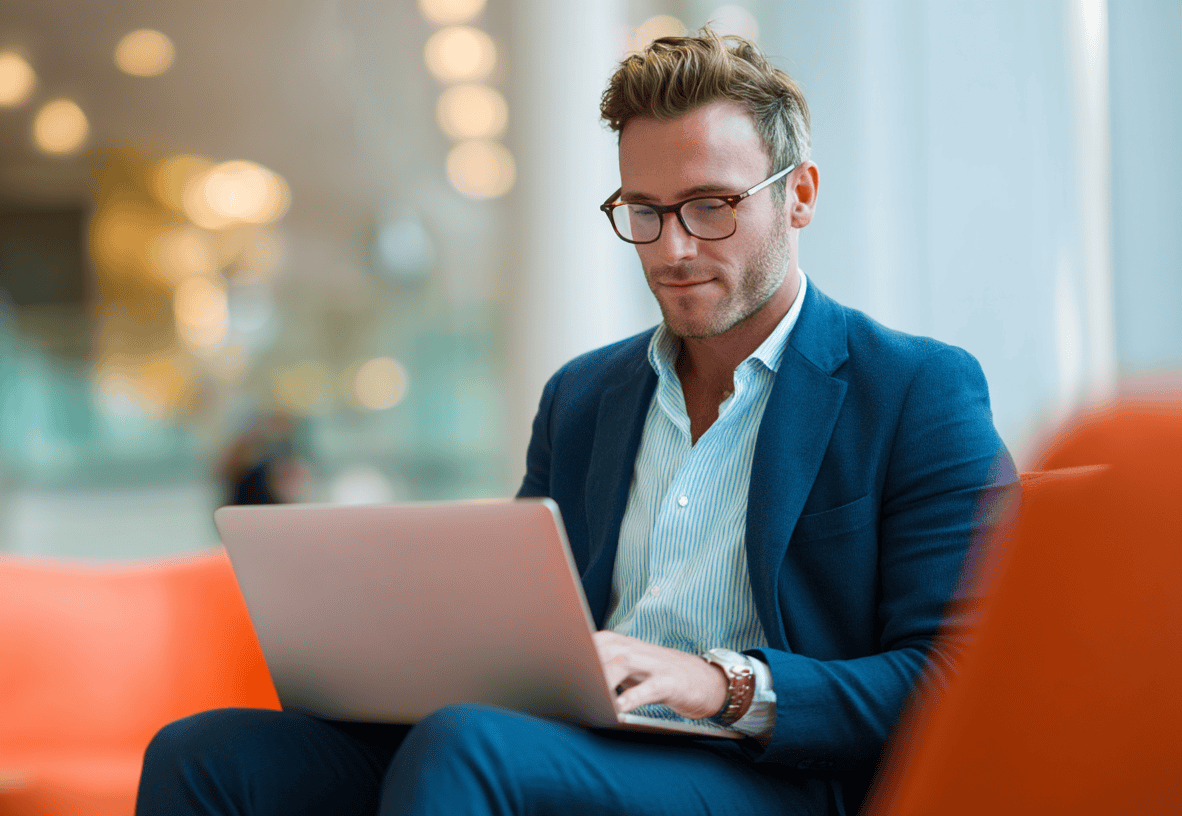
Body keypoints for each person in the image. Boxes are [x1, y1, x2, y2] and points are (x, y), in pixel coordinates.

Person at [136, 28, 1013, 816]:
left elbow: (962, 677)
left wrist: (724, 684)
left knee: (468, 750)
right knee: (205, 756)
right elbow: (521, 626)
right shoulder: (583, 397)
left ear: (801, 195)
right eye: (644, 211)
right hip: (576, 743)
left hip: (772, 775)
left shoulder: (915, 390)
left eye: (711, 206)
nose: (672, 249)